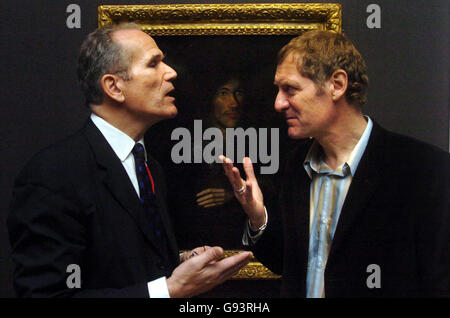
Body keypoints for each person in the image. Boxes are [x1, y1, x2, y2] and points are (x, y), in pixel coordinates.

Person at [7, 23, 252, 298]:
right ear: (114, 87)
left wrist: (180, 262)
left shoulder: (149, 166)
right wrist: (170, 290)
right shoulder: (53, 175)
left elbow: (128, 266)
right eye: (153, 64)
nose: (171, 73)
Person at [220, 30, 449, 297]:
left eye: (290, 89)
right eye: (278, 90)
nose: (278, 103)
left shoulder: (424, 170)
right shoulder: (296, 165)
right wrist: (258, 218)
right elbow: (287, 264)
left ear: (337, 85)